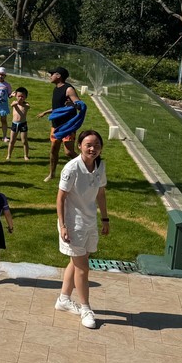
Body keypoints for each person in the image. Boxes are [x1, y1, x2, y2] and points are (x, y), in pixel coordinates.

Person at [54, 130, 110, 330]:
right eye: (88, 145)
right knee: (83, 268)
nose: (92, 148)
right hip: (73, 225)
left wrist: (105, 219)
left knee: (77, 262)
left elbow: (101, 193)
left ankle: (63, 299)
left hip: (90, 222)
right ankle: (86, 309)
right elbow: (60, 198)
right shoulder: (71, 168)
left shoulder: (100, 166)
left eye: (96, 145)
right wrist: (63, 226)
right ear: (79, 146)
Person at [38, 67, 81, 182]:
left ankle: (88, 164)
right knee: (53, 149)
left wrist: (72, 104)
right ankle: (52, 174)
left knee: (68, 152)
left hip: (67, 126)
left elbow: (79, 105)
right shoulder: (56, 89)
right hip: (56, 125)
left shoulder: (69, 89)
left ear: (58, 76)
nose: (50, 76)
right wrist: (46, 112)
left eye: (52, 74)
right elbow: (58, 107)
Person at [6, 87, 31, 161]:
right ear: (16, 96)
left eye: (22, 96)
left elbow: (28, 106)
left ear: (26, 97)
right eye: (19, 96)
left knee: (24, 141)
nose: (20, 98)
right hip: (14, 124)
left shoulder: (26, 104)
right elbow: (12, 104)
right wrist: (15, 97)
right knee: (12, 141)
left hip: (23, 124)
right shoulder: (14, 103)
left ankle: (26, 155)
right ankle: (9, 155)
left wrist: (21, 102)